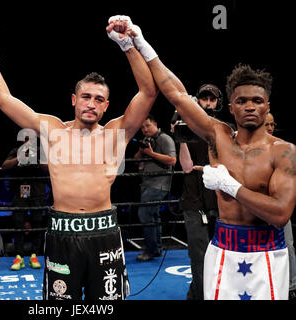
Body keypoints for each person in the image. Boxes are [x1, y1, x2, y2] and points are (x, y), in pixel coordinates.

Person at [0, 17, 158, 300]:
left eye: (98, 99)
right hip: (63, 233)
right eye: (86, 96)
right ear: (74, 100)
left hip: (104, 232)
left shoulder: (115, 133)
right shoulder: (53, 130)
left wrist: (128, 45)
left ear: (106, 106)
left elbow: (148, 92)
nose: (91, 103)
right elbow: (2, 98)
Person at [126, 20, 295, 299]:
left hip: (267, 254)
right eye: (242, 101)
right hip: (223, 250)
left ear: (267, 106)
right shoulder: (218, 135)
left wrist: (230, 186)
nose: (250, 106)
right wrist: (140, 42)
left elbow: (280, 214)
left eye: (257, 100)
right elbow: (178, 95)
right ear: (231, 107)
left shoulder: (284, 151)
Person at [171, 84, 221, 300]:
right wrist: (180, 138)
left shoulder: (224, 129)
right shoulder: (187, 128)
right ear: (198, 101)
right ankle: (198, 295)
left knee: (222, 254)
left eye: (212, 99)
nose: (208, 103)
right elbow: (186, 167)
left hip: (220, 201)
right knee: (199, 256)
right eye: (204, 99)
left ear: (218, 102)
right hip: (194, 202)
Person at [133, 114, 176, 261]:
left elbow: (172, 160)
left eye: (147, 126)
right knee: (152, 215)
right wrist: (142, 150)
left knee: (145, 214)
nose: (145, 129)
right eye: (142, 127)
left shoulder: (165, 138)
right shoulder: (147, 140)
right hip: (147, 183)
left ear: (155, 124)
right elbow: (136, 159)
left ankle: (151, 251)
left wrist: (151, 153)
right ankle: (156, 249)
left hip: (159, 184)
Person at [1, 136, 47, 271]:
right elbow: (4, 166)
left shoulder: (40, 151)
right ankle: (19, 256)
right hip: (20, 192)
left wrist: (35, 159)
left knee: (37, 223)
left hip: (37, 192)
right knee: (18, 223)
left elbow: (48, 169)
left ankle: (34, 255)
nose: (27, 141)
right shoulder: (16, 151)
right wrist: (19, 158)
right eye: (25, 138)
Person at [263, 112, 296, 299]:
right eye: (266, 124)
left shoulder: (284, 149)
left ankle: (291, 286)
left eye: (272, 124)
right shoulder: (252, 148)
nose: (269, 128)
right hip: (258, 206)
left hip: (279, 205)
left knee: (288, 245)